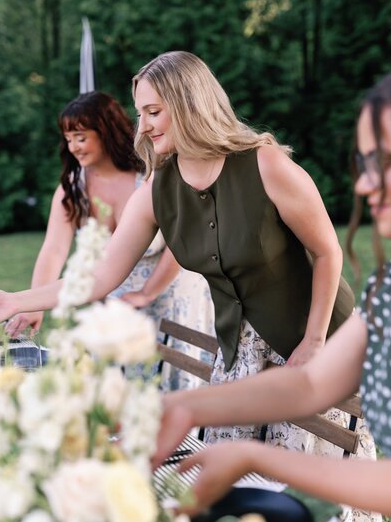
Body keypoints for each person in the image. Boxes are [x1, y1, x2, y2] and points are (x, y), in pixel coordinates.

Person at [0, 52, 354, 444]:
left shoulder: (266, 165)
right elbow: (100, 277)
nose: (142, 127)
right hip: (238, 353)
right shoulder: (155, 190)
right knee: (227, 483)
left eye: (153, 112)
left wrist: (314, 342)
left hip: (315, 342)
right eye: (140, 113)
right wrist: (17, 300)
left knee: (312, 487)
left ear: (188, 104)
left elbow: (327, 251)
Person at [148, 71, 391, 520]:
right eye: (366, 162)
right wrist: (178, 406)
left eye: (385, 161)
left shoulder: (263, 166)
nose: (363, 184)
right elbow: (310, 385)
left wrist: (257, 458)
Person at [4, 90, 214, 390]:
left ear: (105, 131)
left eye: (81, 136)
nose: (73, 147)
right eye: (68, 138)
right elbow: (53, 250)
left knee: (177, 392)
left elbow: (180, 246)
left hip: (173, 295)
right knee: (121, 396)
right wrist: (34, 304)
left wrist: (146, 293)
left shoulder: (151, 176)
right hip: (117, 305)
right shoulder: (72, 189)